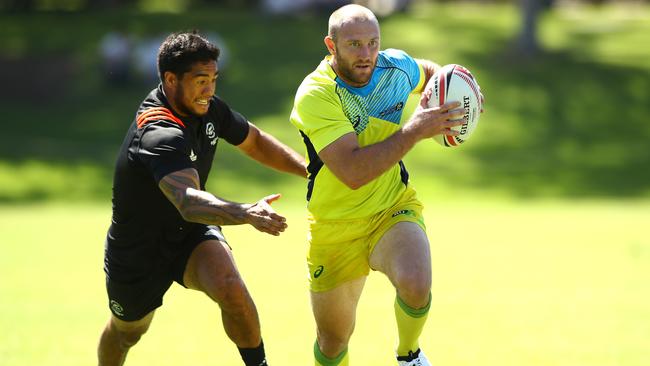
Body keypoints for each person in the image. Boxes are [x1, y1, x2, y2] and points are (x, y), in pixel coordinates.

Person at [98, 31, 307, 366]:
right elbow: (189, 201)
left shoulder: (209, 108)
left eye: (212, 79)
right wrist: (246, 212)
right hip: (139, 248)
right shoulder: (158, 131)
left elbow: (254, 141)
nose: (209, 89)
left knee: (230, 287)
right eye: (200, 80)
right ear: (170, 79)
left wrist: (309, 171)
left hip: (190, 233)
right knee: (128, 332)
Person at [289, 4, 482, 366]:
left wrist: (459, 96)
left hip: (391, 206)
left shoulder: (393, 66)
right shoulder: (316, 95)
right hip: (335, 224)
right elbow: (353, 171)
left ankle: (409, 356)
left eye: (373, 44)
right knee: (333, 341)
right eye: (354, 45)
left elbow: (428, 73)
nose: (366, 55)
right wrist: (416, 129)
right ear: (331, 46)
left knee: (415, 280)